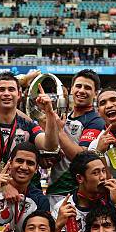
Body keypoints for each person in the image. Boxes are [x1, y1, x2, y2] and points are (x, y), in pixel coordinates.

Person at [0, 73, 60, 190]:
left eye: (11, 89)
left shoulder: (27, 125)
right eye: (1, 89)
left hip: (17, 194)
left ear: (19, 94)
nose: (6, 94)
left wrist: (49, 112)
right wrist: (6, 187)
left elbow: (50, 145)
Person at [46, 69, 105, 207]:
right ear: (72, 89)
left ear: (95, 94)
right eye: (78, 86)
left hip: (74, 194)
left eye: (88, 88)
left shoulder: (95, 121)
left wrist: (59, 130)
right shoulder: (65, 115)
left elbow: (82, 157)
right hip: (54, 188)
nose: (82, 91)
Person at [52, 151, 116, 232]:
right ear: (80, 178)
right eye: (96, 173)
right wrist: (58, 227)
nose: (103, 177)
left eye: (103, 171)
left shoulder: (115, 197)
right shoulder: (62, 208)